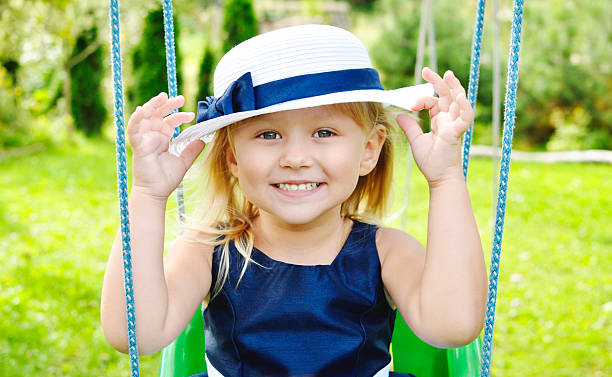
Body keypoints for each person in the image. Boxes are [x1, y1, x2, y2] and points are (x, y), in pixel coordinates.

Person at [101, 24, 487, 377]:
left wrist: (445, 179)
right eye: (268, 135)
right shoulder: (210, 251)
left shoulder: (386, 251)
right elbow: (134, 336)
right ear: (233, 157)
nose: (296, 157)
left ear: (368, 150)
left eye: (323, 132)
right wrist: (148, 195)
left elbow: (452, 327)